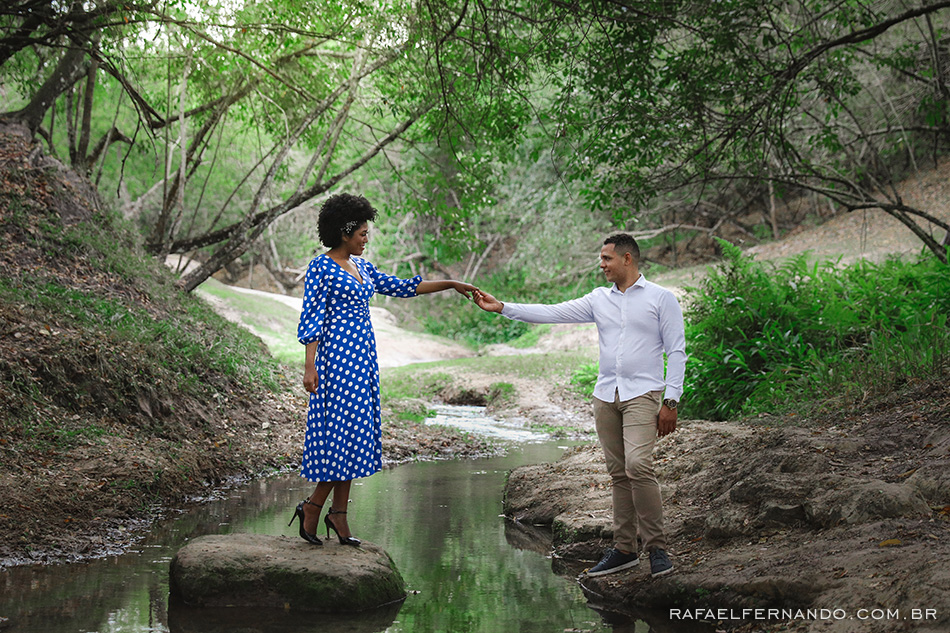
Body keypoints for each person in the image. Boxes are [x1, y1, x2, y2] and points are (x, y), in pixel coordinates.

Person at [473, 233, 686, 578]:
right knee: (619, 474)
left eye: (606, 259)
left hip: (644, 395)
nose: (601, 265)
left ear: (627, 259)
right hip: (605, 396)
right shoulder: (598, 299)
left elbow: (676, 351)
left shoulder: (661, 299)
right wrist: (503, 308)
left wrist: (671, 400)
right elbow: (554, 312)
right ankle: (624, 549)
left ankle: (657, 548)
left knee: (638, 466)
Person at [289, 193, 477, 546]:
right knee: (336, 439)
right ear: (345, 233)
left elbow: (406, 287)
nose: (366, 238)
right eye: (361, 233)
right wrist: (309, 366)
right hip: (334, 362)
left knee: (351, 440)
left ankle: (337, 515)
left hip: (362, 363)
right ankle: (314, 507)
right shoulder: (321, 267)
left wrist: (451, 284)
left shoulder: (362, 268)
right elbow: (311, 318)